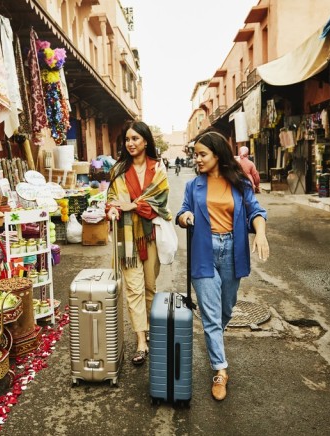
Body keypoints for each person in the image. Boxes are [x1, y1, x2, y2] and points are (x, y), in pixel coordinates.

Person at [176, 128, 269, 401]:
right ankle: (220, 369)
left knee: (226, 308)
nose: (198, 160)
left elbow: (256, 211)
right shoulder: (193, 186)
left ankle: (214, 337)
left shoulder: (239, 182)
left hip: (232, 250)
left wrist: (260, 232)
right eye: (196, 155)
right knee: (211, 315)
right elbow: (181, 212)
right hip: (203, 252)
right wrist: (185, 217)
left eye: (202, 154)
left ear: (217, 154)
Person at [106, 120, 172, 366]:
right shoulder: (118, 170)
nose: (130, 143)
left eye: (135, 138)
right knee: (134, 289)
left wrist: (133, 205)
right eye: (127, 139)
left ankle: (150, 330)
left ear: (146, 141)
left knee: (150, 287)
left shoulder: (159, 169)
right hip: (127, 238)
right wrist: (111, 210)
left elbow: (160, 202)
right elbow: (112, 200)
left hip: (151, 235)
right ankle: (141, 341)